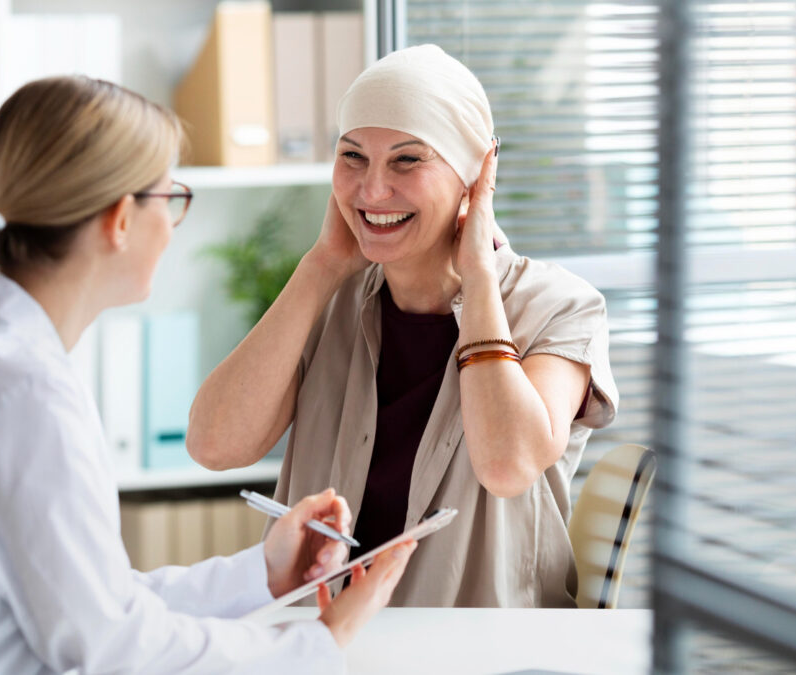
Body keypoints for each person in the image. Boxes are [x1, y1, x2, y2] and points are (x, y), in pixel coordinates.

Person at [0, 76, 416, 675]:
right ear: (118, 219)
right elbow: (108, 642)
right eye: (170, 198)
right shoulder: (21, 391)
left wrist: (264, 573)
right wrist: (317, 643)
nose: (171, 224)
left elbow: (88, 600)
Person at [187, 44, 619, 608]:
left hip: (478, 650)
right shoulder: (330, 298)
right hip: (323, 642)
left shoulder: (557, 306)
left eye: (407, 159)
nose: (371, 190)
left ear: (474, 177)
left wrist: (478, 278)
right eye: (353, 157)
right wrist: (320, 266)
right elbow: (215, 446)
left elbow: (508, 465)